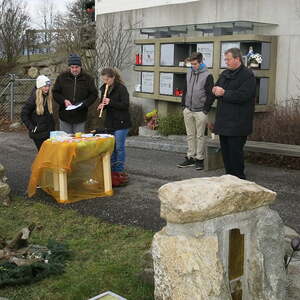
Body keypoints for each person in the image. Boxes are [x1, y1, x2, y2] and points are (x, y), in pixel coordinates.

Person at [212, 47, 256, 179]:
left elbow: (244, 96)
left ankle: (239, 179)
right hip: (224, 121)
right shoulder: (225, 74)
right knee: (226, 153)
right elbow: (217, 88)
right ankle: (229, 178)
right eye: (225, 59)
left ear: (237, 59)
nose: (226, 62)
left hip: (238, 123)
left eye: (228, 59)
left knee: (235, 153)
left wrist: (224, 93)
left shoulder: (247, 75)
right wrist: (214, 90)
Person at [177, 52, 214, 170]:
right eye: (191, 64)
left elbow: (210, 95)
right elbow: (185, 89)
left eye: (195, 64)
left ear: (201, 62)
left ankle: (199, 159)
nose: (193, 66)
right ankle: (190, 157)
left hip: (200, 111)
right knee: (190, 135)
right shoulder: (189, 72)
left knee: (200, 136)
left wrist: (205, 110)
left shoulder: (208, 75)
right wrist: (183, 105)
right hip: (188, 109)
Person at [97, 68, 131, 187]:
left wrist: (110, 102)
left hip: (121, 122)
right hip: (110, 122)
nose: (105, 82)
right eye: (103, 80)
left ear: (112, 78)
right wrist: (102, 106)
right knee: (111, 147)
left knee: (119, 147)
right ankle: (111, 170)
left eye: (107, 79)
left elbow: (125, 105)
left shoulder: (121, 88)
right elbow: (106, 104)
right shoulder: (104, 88)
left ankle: (119, 171)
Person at [52, 54, 98, 134]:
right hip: (64, 116)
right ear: (69, 67)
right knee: (66, 141)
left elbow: (94, 94)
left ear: (80, 67)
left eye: (77, 67)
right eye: (72, 67)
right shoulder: (62, 77)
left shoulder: (88, 79)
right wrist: (64, 101)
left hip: (80, 116)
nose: (74, 69)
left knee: (78, 142)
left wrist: (85, 104)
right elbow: (55, 92)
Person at [21, 75, 55, 150]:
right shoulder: (33, 98)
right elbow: (24, 114)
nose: (47, 88)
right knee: (43, 155)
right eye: (45, 86)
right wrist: (32, 128)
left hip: (48, 132)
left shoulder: (47, 96)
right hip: (38, 134)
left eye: (48, 86)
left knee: (49, 154)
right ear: (40, 86)